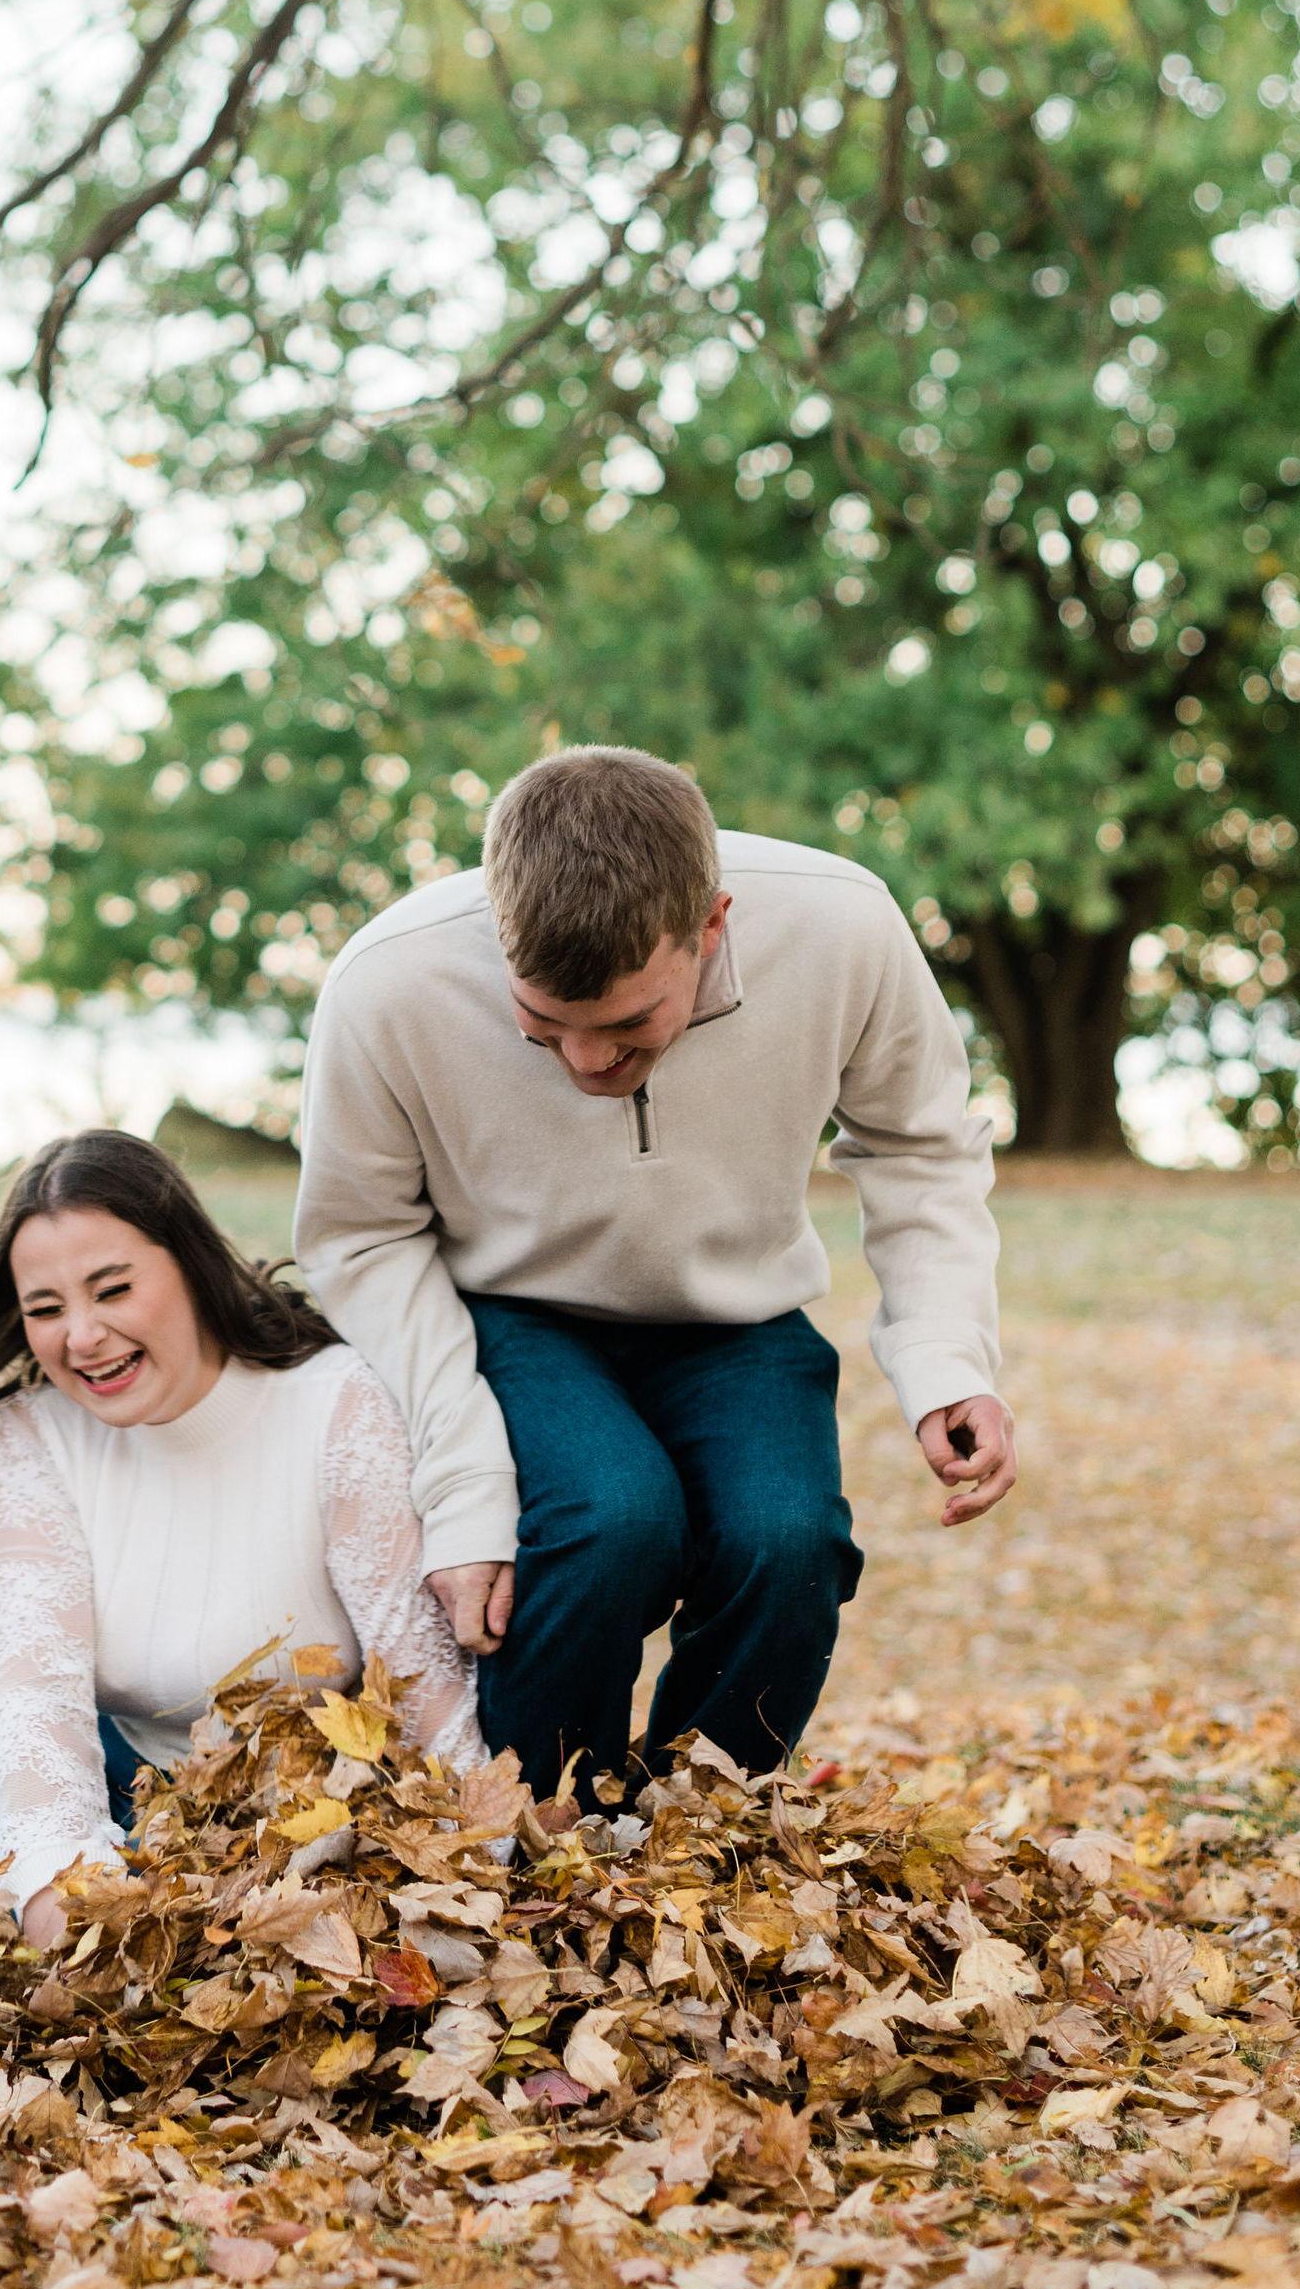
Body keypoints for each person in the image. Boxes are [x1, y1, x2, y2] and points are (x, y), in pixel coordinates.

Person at [296, 745, 1011, 1800]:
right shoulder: (387, 984)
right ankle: (536, 1837)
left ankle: (700, 1833)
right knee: (610, 1521)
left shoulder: (844, 928)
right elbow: (358, 1237)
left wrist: (947, 1358)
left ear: (712, 925)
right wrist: (464, 1486)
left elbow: (920, 1146)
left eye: (628, 1024)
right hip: (511, 1310)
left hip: (736, 1313)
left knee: (788, 1543)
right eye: (544, 1028)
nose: (588, 1062)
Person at [0, 1127, 482, 1938]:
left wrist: (462, 1857)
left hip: (305, 1793)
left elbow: (421, 1672)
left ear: (188, 1264)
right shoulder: (36, 1433)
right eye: (46, 1309)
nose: (81, 1336)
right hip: (119, 1754)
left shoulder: (334, 1402)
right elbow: (38, 1688)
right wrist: (63, 1892)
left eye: (112, 1290)